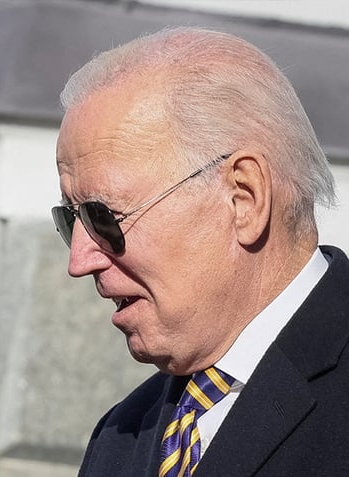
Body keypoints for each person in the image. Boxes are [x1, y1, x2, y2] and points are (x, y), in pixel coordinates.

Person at [51, 27, 348, 476]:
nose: (80, 261)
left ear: (243, 199)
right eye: (71, 220)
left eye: (104, 217)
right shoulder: (121, 435)